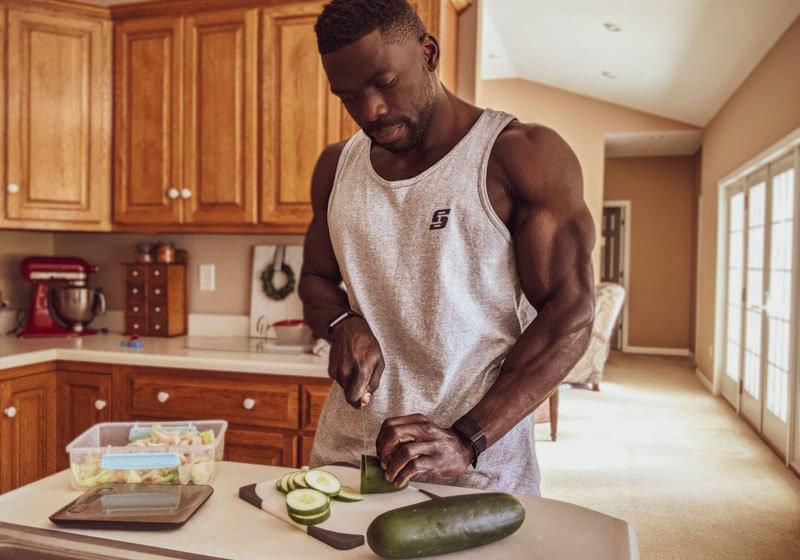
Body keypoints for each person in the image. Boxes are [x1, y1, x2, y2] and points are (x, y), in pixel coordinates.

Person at [299, 0, 594, 496]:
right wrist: (340, 322)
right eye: (348, 97)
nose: (370, 110)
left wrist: (467, 438)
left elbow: (571, 313)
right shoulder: (336, 167)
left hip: (475, 469)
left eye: (385, 83)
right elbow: (315, 280)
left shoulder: (520, 155)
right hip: (347, 461)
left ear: (428, 53)